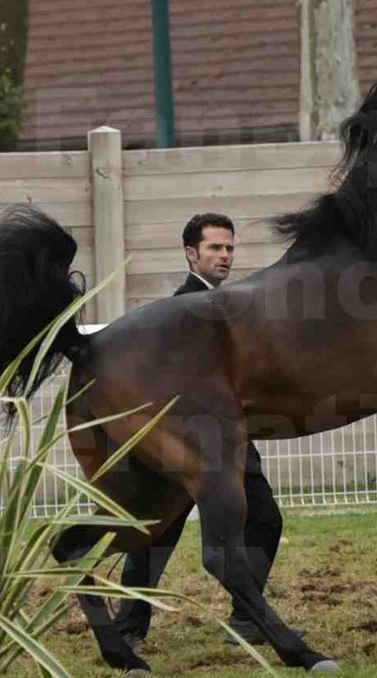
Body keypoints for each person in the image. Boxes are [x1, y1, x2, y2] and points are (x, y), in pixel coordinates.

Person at [114, 213, 304, 646]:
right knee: (160, 533)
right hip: (192, 443)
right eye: (216, 248)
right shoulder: (184, 308)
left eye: (230, 248)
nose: (225, 256)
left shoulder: (224, 304)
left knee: (263, 520)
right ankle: (130, 626)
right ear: (190, 253)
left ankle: (242, 617)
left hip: (230, 440)